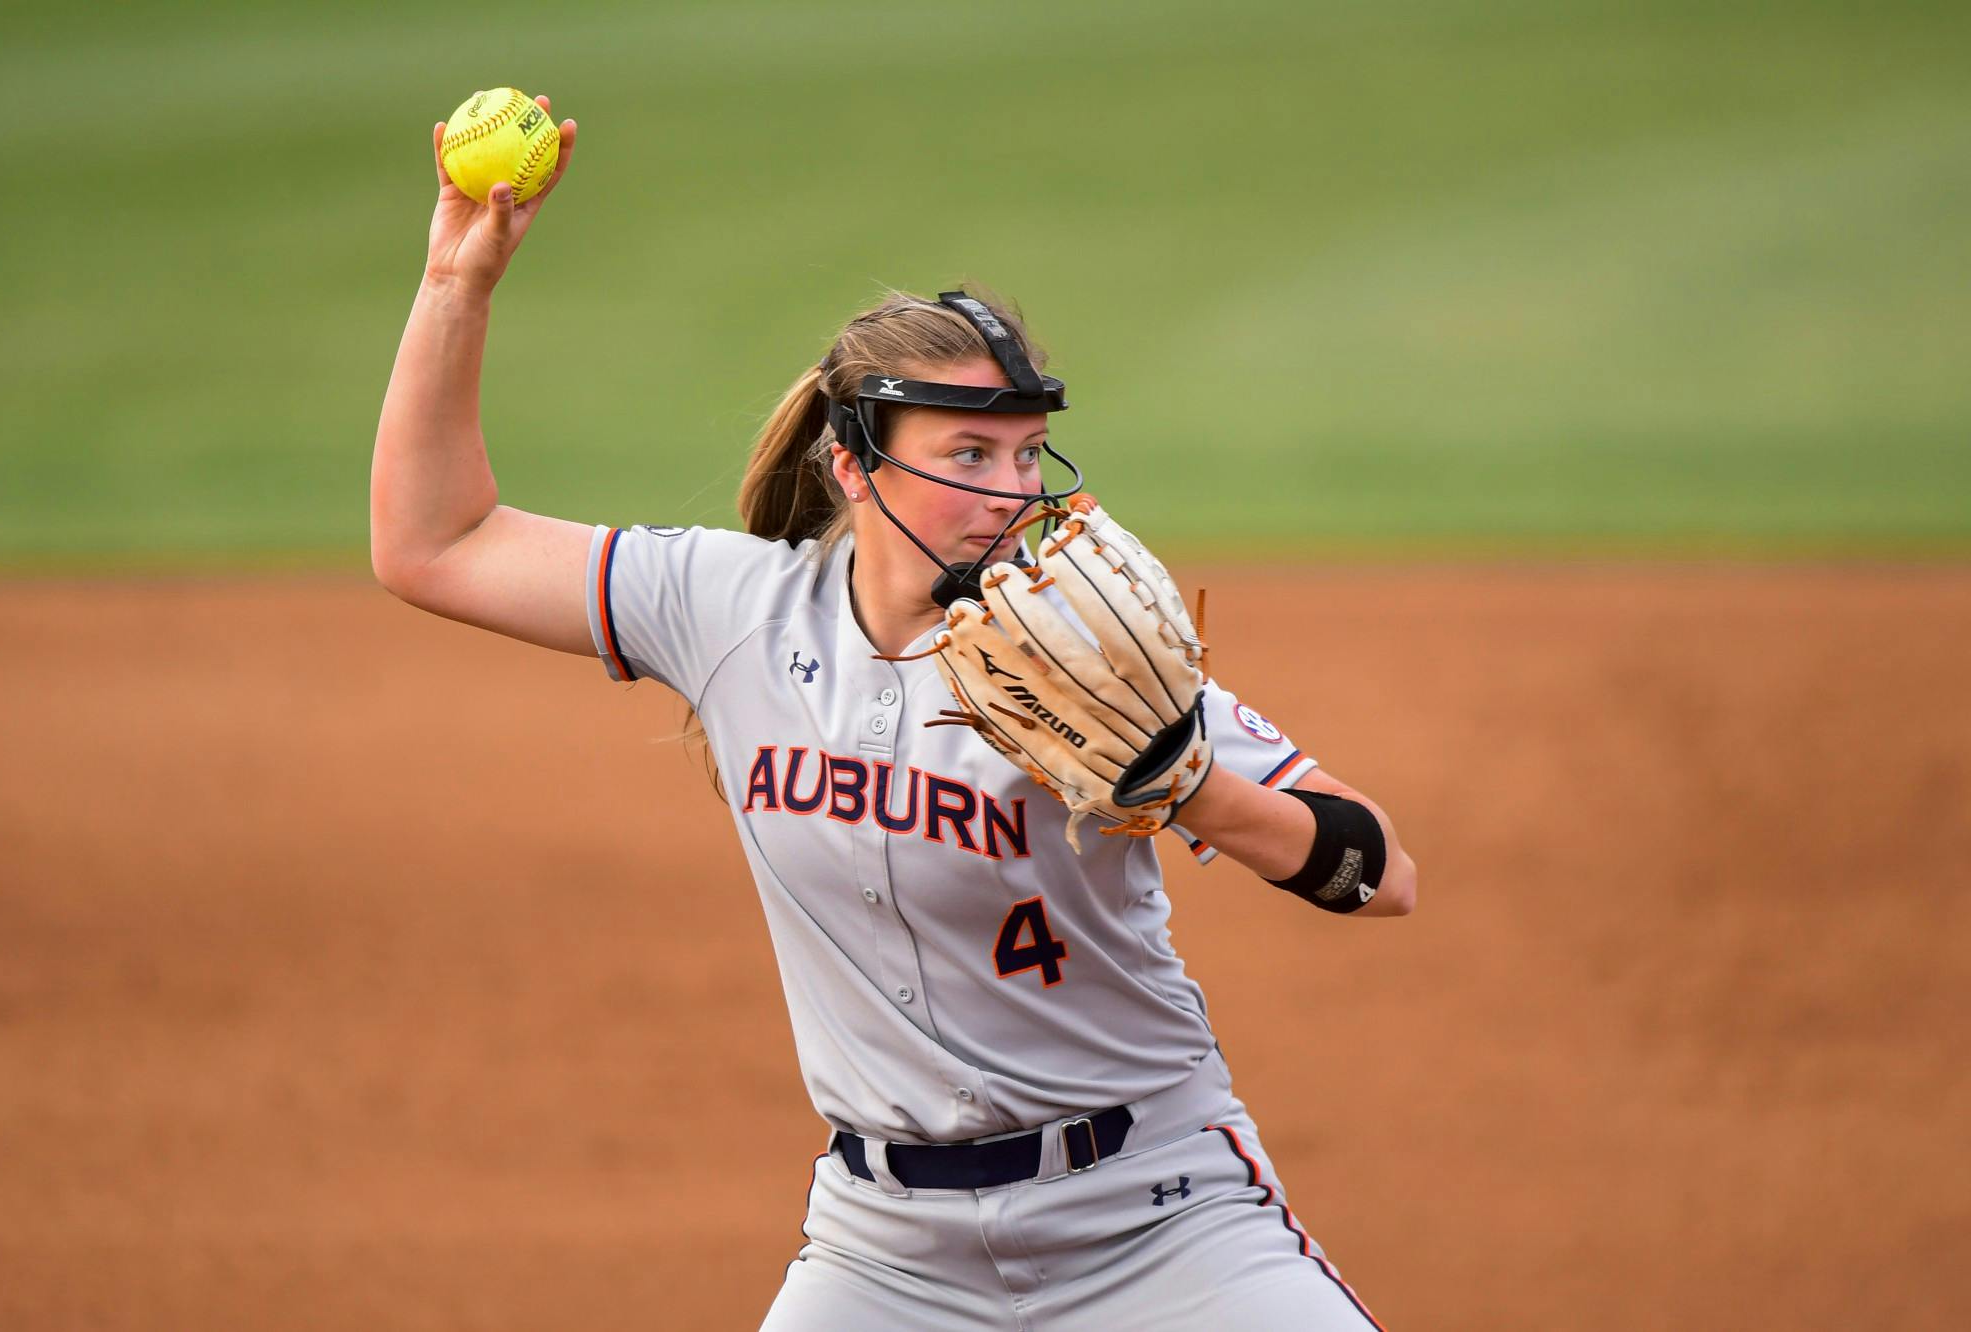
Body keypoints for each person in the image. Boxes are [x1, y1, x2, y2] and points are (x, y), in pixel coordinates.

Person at [372, 95, 1417, 1331]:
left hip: (1157, 1215)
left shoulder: (1086, 649)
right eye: (966, 455)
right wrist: (455, 286)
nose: (1009, 490)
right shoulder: (729, 610)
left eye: (1025, 454)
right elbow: (434, 543)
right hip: (884, 1254)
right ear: (854, 467)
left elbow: (1379, 871)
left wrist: (1190, 789)